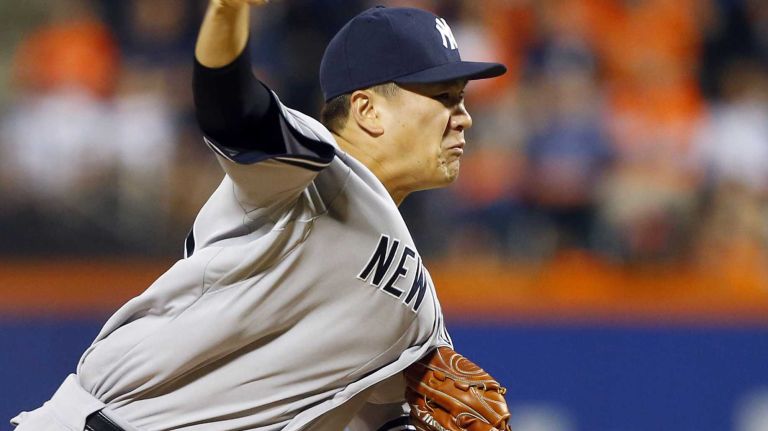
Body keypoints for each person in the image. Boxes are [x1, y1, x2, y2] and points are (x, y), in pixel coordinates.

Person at [10, 1, 506, 430]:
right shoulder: (313, 171)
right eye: (443, 98)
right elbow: (235, 111)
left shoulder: (421, 311)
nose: (463, 116)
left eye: (460, 99)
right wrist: (227, 14)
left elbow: (380, 416)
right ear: (367, 110)